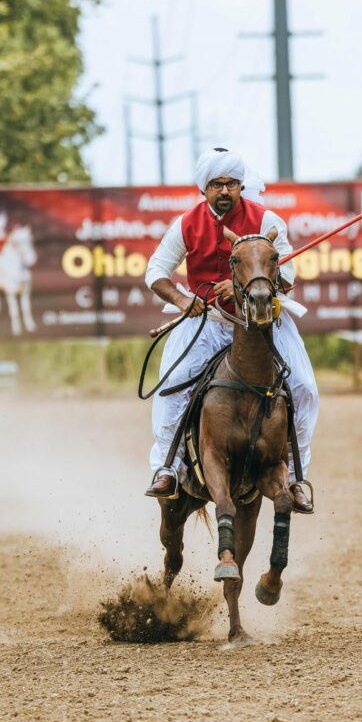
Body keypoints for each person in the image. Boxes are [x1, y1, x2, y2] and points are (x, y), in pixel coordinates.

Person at [144, 148, 318, 512]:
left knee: (303, 387)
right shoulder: (186, 223)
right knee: (170, 391)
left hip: (263, 321)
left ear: (241, 185)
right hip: (208, 322)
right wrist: (181, 300)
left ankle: (295, 474)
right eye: (216, 184)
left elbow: (287, 274)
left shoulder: (266, 218)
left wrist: (242, 284)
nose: (225, 190)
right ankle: (169, 468)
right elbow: (155, 273)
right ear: (204, 188)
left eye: (232, 183)